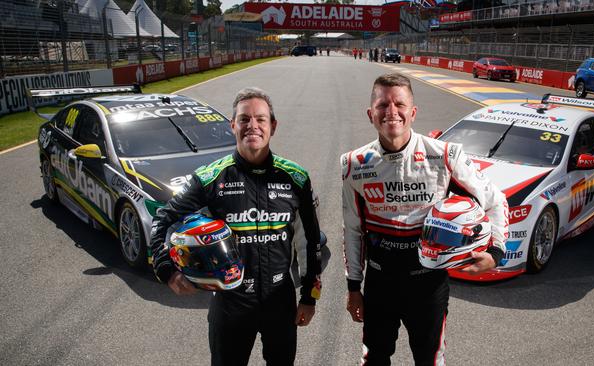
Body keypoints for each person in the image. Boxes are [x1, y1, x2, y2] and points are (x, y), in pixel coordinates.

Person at [340, 73, 508, 365]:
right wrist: (354, 288)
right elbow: (353, 231)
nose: (391, 112)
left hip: (428, 284)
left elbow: (496, 200)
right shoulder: (354, 163)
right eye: (382, 105)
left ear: (413, 112)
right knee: (374, 359)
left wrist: (496, 252)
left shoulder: (445, 155)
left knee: (429, 360)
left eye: (399, 104)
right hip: (380, 282)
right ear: (371, 114)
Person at [151, 87, 323, 366]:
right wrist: (167, 270)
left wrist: (309, 297)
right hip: (230, 304)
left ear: (273, 126)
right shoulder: (209, 177)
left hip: (280, 302)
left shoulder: (296, 177)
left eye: (260, 119)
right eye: (244, 119)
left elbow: (311, 242)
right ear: (232, 125)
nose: (252, 126)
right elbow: (162, 220)